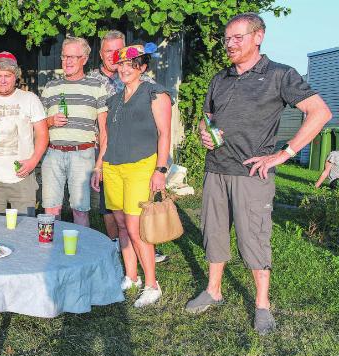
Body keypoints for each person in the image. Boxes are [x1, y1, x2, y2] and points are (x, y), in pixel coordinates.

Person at [185, 13, 331, 334]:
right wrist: (203, 132)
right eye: (227, 39)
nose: (230, 44)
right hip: (216, 169)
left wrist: (285, 153)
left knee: (254, 239)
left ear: (258, 37)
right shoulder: (220, 78)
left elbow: (320, 112)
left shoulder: (280, 75)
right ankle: (214, 290)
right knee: (215, 233)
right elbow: (206, 118)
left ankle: (262, 305)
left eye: (238, 37)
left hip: (252, 173)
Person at [93, 43, 172, 308]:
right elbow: (107, 138)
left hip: (141, 166)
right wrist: (100, 166)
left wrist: (161, 170)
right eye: (122, 65)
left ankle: (152, 284)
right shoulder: (113, 100)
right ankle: (132, 276)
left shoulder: (155, 93)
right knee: (122, 226)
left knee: (137, 228)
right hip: (113, 166)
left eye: (132, 65)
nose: (125, 69)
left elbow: (164, 134)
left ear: (143, 68)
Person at [40, 36, 112, 227]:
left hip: (83, 154)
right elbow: (38, 126)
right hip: (53, 153)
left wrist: (99, 165)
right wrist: (49, 120)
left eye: (73, 57)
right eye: (64, 56)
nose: (67, 61)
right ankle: (51, 254)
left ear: (85, 59)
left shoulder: (97, 87)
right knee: (51, 210)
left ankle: (82, 254)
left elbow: (105, 131)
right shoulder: (50, 87)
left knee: (80, 211)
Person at [0, 51, 48, 216]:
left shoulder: (30, 99)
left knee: (26, 228)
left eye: (8, 75)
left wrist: (33, 162)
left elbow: (42, 134)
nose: (2, 80)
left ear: (16, 76)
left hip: (23, 175)